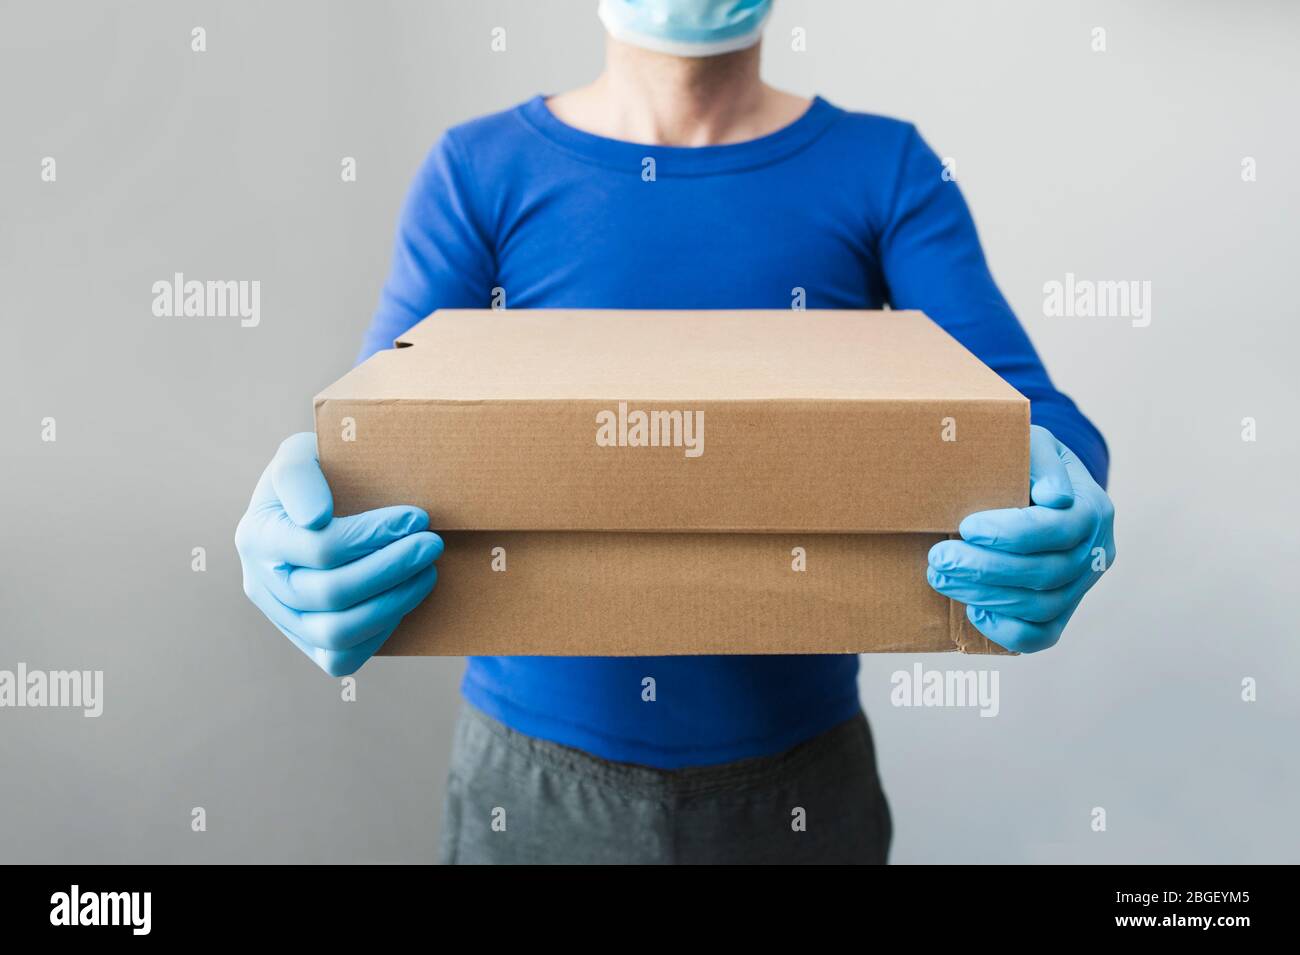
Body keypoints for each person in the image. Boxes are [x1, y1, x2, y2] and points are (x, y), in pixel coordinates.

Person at [235, 0, 1116, 864]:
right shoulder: (479, 169)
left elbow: (1027, 409)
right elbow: (381, 423)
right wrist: (304, 512)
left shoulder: (884, 167)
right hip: (530, 787)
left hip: (799, 789)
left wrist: (1065, 486)